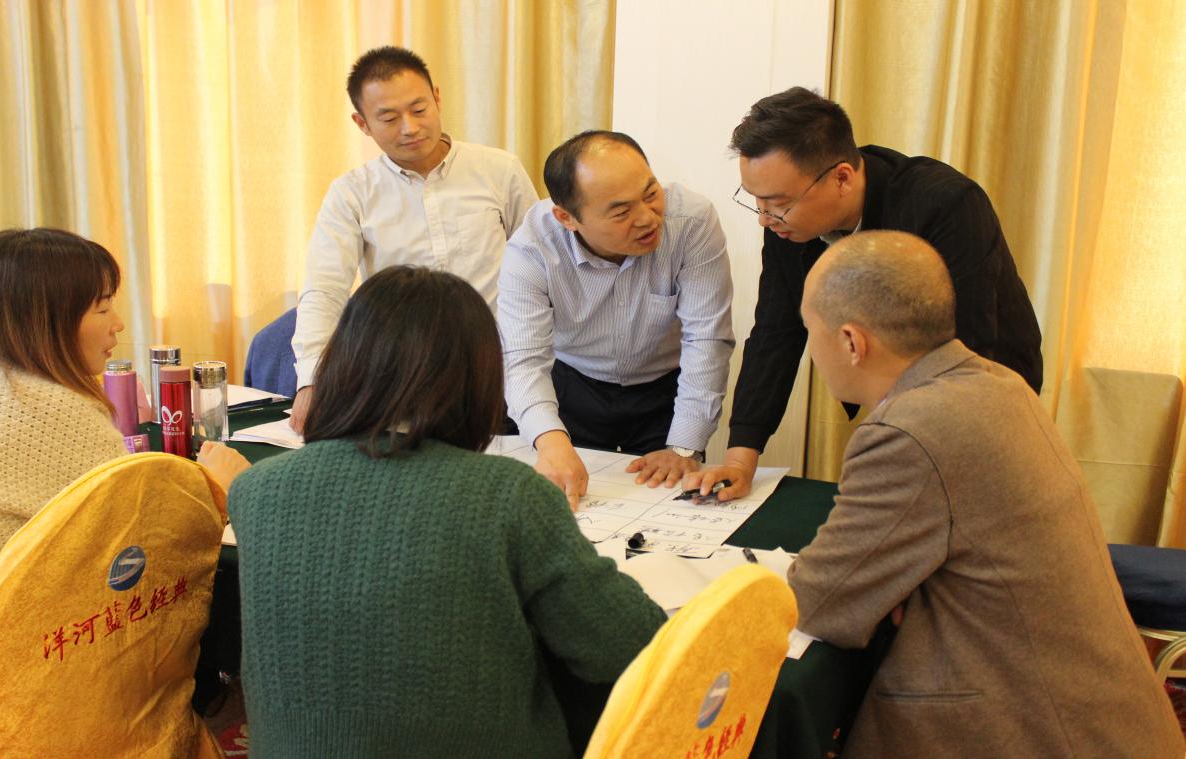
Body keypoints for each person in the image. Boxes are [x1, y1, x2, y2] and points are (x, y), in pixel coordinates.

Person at [229, 266, 666, 758]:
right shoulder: (510, 496)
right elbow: (632, 644)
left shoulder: (255, 490)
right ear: (480, 379)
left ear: (342, 363)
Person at [777, 230, 1183, 757]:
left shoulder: (909, 429)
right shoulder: (998, 384)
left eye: (811, 330)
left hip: (1033, 732)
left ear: (852, 343)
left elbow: (822, 602)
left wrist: (880, 588)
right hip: (1110, 716)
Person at [0, 229, 248, 757]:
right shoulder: (50, 410)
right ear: (46, 318)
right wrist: (219, 488)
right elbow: (148, 554)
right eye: (102, 307)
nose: (118, 324)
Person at [701, 87, 1043, 498]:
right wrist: (740, 460)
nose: (763, 218)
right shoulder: (787, 223)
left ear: (842, 178)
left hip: (985, 390)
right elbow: (776, 332)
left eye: (776, 202)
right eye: (755, 200)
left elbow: (967, 347)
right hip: (900, 395)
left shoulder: (944, 204)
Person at [290, 45, 539, 432]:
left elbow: (539, 266)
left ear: (437, 98)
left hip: (495, 366)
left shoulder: (498, 170)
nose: (409, 128)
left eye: (419, 109)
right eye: (389, 118)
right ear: (362, 123)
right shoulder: (352, 193)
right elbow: (324, 290)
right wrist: (311, 380)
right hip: (400, 375)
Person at [498, 131, 734, 508]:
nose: (647, 218)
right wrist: (550, 442)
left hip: (663, 391)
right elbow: (523, 359)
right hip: (573, 386)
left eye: (651, 194)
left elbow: (706, 337)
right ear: (567, 218)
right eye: (621, 212)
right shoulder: (533, 247)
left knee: (665, 505)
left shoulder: (691, 220)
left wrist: (684, 445)